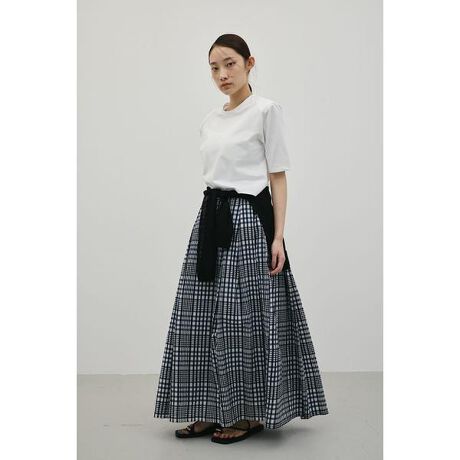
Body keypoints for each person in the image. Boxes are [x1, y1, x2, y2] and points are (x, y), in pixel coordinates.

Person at [153, 33, 329, 445]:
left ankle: (248, 414)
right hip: (210, 219)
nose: (222, 74)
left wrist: (278, 237)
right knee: (199, 315)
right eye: (214, 67)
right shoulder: (210, 120)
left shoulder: (266, 111)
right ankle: (208, 409)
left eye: (230, 64)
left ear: (250, 63)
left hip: (249, 221)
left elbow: (277, 177)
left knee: (241, 320)